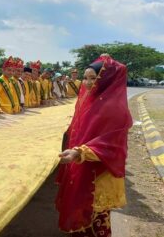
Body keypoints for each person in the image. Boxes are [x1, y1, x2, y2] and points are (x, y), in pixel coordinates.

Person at [56, 54, 132, 236]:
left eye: (93, 78)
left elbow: (111, 144)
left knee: (97, 221)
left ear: (106, 80)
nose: (88, 83)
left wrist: (79, 153)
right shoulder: (91, 101)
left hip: (100, 173)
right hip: (84, 164)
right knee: (82, 215)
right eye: (85, 78)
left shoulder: (114, 107)